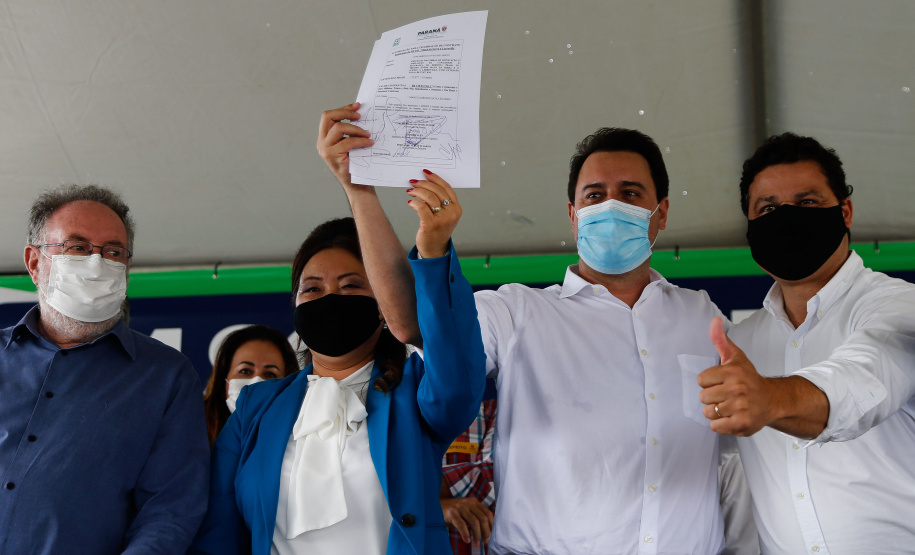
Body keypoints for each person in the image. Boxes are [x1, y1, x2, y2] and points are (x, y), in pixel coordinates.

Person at [317, 103, 736, 554]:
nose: (611, 205)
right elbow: (414, 324)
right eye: (595, 195)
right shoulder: (518, 311)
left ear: (662, 211)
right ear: (573, 214)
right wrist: (360, 191)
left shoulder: (703, 317)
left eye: (631, 193)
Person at [190, 203, 486, 552]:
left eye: (349, 286)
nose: (329, 298)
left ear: (382, 303)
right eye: (312, 289)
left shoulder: (415, 391)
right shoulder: (257, 406)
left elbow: (455, 370)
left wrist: (433, 252)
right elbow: (220, 531)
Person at [699, 133, 915, 554]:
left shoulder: (897, 306)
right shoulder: (740, 343)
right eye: (768, 208)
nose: (787, 218)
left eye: (808, 202)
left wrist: (771, 398)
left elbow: (862, 380)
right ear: (750, 226)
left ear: (845, 211)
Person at [0, 184, 209, 553]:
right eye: (77, 247)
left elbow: (170, 509)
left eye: (113, 251)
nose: (97, 263)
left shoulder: (165, 376)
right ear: (34, 263)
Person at [202, 324, 300, 446]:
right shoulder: (193, 431)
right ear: (223, 379)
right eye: (245, 371)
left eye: (270, 374)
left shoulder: (298, 438)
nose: (256, 382)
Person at [440, 383, 497, 555]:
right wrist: (435, 506)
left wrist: (416, 501)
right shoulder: (388, 414)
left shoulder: (491, 409)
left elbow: (505, 478)